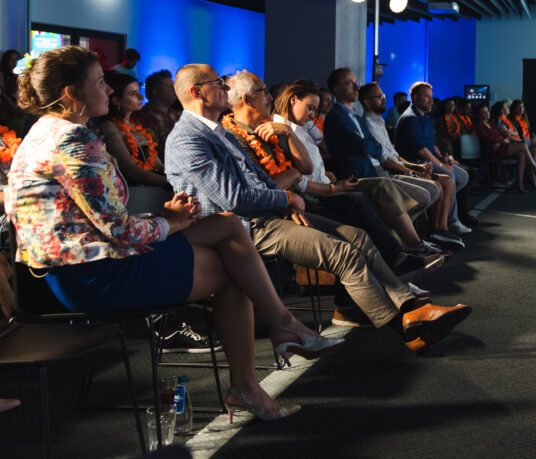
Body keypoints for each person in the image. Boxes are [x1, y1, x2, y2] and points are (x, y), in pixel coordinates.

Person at [6, 46, 338, 421]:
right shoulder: (73, 141)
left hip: (65, 270)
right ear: (72, 94)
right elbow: (119, 230)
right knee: (234, 268)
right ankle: (256, 371)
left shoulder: (44, 132)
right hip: (92, 275)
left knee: (228, 226)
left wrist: (169, 219)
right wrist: (171, 222)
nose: (109, 91)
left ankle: (280, 333)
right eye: (100, 82)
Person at [163, 64, 470, 352]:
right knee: (344, 252)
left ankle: (412, 308)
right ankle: (406, 327)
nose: (224, 88)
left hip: (267, 214)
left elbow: (261, 181)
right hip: (243, 228)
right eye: (217, 83)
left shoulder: (220, 133)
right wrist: (285, 199)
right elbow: (232, 198)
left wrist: (285, 201)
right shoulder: (187, 138)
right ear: (197, 92)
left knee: (359, 237)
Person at [274, 78, 444, 258]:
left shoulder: (304, 126)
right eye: (310, 107)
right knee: (376, 191)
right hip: (320, 193)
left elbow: (328, 148)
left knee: (383, 186)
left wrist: (324, 173)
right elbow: (301, 176)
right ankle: (405, 247)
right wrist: (332, 187)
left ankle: (411, 243)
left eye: (315, 109)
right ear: (293, 100)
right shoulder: (282, 129)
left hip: (329, 183)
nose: (313, 114)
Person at [358, 82, 463, 250]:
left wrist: (416, 168)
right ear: (367, 102)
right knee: (438, 186)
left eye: (383, 96)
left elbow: (395, 153)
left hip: (403, 165)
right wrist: (413, 171)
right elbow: (387, 159)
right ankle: (411, 236)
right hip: (388, 172)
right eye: (379, 97)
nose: (384, 100)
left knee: (445, 182)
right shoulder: (371, 124)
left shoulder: (379, 121)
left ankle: (439, 229)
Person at [395, 82, 475, 235]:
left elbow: (432, 146)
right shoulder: (410, 118)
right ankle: (450, 222)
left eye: (431, 97)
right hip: (415, 164)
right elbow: (422, 152)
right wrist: (441, 165)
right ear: (414, 97)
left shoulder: (425, 117)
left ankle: (440, 209)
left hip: (429, 161)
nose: (431, 101)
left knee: (463, 175)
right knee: (449, 175)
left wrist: (444, 158)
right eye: (427, 97)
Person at [98, 71, 169, 188]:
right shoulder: (109, 127)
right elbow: (131, 170)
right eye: (133, 94)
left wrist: (176, 176)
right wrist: (170, 182)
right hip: (133, 193)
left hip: (150, 189)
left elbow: (156, 163)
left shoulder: (135, 124)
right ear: (117, 101)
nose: (141, 97)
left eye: (138, 92)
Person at [474, 104, 536, 193]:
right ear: (479, 115)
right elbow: (488, 138)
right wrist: (502, 140)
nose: (487, 113)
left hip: (500, 146)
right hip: (492, 150)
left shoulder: (490, 123)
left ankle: (520, 183)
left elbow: (498, 135)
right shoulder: (479, 125)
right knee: (523, 145)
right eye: (484, 112)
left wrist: (501, 140)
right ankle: (534, 167)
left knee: (522, 153)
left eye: (487, 111)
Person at [493, 101, 536, 186]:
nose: (508, 108)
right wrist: (514, 135)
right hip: (511, 144)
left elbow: (515, 132)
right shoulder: (502, 120)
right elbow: (508, 134)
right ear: (502, 110)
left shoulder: (511, 120)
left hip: (519, 141)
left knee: (535, 150)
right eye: (506, 107)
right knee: (534, 140)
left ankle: (533, 178)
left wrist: (513, 133)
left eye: (523, 107)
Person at [133, 69, 180, 158]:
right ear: (155, 91)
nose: (175, 90)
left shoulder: (176, 114)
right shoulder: (144, 117)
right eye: (170, 87)